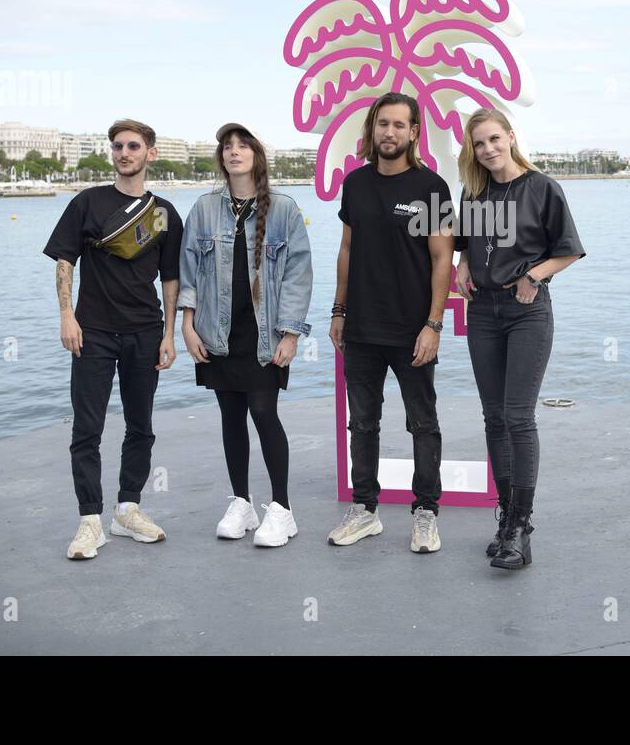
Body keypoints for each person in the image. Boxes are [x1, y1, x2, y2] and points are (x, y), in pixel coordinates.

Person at [44, 119, 184, 560]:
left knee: (140, 426)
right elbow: (64, 261)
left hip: (145, 333)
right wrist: (67, 315)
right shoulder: (87, 203)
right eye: (119, 146)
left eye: (134, 146)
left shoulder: (162, 212)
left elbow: (171, 278)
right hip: (94, 332)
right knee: (88, 428)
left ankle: (128, 510)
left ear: (150, 153)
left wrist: (169, 335)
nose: (125, 153)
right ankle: (90, 522)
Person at [453, 108, 585, 569]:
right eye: (479, 144)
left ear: (510, 136)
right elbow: (464, 246)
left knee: (517, 416)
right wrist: (463, 266)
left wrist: (534, 274)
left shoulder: (543, 187)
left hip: (527, 310)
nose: (487, 150)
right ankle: (505, 517)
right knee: (492, 417)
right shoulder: (473, 192)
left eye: (494, 139)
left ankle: (520, 529)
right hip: (483, 312)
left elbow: (568, 249)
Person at [327, 92, 454, 553]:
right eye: (383, 124)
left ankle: (425, 512)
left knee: (422, 422)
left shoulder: (432, 187)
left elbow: (442, 260)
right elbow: (346, 249)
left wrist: (433, 324)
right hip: (361, 327)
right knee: (362, 423)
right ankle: (365, 510)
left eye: (399, 125)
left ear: (414, 132)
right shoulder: (356, 184)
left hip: (412, 330)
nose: (389, 133)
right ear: (372, 129)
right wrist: (339, 310)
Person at [178, 123, 313, 547]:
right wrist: (186, 323)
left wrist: (290, 334)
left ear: (257, 154)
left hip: (263, 335)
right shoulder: (202, 208)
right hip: (217, 334)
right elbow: (188, 273)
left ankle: (282, 509)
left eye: (242, 146)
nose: (234, 152)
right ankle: (241, 502)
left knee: (264, 412)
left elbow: (298, 275)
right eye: (227, 147)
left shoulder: (284, 209)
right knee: (230, 416)